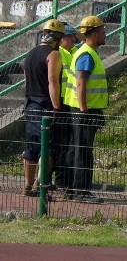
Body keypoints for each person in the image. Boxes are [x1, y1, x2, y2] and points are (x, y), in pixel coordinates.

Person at [66, 15, 108, 203]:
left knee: (77, 149)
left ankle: (72, 188)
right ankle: (81, 191)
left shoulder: (85, 52)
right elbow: (81, 82)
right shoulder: (86, 54)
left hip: (84, 108)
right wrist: (84, 109)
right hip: (85, 110)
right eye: (102, 31)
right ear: (95, 34)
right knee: (83, 151)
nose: (105, 34)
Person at [21, 19, 64, 197]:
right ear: (58, 38)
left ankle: (27, 185)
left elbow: (26, 80)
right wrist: (56, 107)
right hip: (45, 105)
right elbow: (52, 81)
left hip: (30, 104)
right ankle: (41, 185)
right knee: (48, 147)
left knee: (31, 148)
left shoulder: (30, 54)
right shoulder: (53, 55)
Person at [52, 22, 79, 190]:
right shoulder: (58, 54)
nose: (73, 39)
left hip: (70, 102)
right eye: (69, 36)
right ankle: (60, 180)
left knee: (70, 143)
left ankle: (65, 179)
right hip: (61, 103)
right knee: (61, 144)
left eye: (73, 36)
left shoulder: (75, 52)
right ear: (61, 39)